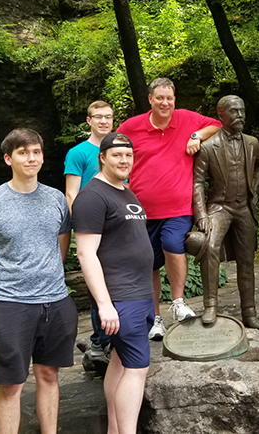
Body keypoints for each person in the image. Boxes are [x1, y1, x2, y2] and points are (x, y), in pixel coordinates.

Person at [0, 128, 78, 434]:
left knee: (49, 374)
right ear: (8, 158)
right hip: (10, 306)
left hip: (55, 302)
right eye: (23, 152)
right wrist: (3, 294)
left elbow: (61, 247)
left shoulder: (56, 199)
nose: (31, 158)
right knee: (11, 384)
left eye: (36, 152)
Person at [116, 78, 221, 340]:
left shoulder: (186, 118)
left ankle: (178, 301)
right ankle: (155, 318)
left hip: (178, 207)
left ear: (175, 100)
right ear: (150, 99)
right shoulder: (131, 126)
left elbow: (217, 125)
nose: (165, 103)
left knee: (173, 244)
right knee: (148, 263)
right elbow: (114, 151)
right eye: (160, 98)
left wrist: (196, 135)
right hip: (141, 210)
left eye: (169, 98)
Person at [72, 132, 154, 434]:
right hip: (121, 297)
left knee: (120, 362)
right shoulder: (92, 197)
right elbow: (86, 253)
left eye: (128, 155)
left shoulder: (124, 191)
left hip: (139, 293)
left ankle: (115, 429)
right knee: (137, 369)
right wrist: (105, 304)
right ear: (102, 158)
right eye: (117, 155)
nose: (124, 160)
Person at [190, 95, 259, 330]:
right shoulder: (208, 147)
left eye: (242, 110)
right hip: (219, 206)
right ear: (221, 114)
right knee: (209, 247)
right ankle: (210, 306)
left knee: (247, 258)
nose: (240, 115)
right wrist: (201, 215)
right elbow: (197, 183)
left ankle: (249, 312)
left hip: (244, 207)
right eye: (234, 111)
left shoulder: (252, 143)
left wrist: (254, 191)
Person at [64, 100, 114, 359]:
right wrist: (81, 227)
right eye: (98, 117)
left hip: (115, 227)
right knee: (97, 283)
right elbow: (71, 194)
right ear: (89, 121)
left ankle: (109, 339)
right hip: (92, 228)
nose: (103, 121)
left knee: (115, 282)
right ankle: (99, 342)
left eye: (108, 116)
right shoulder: (78, 153)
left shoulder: (118, 151)